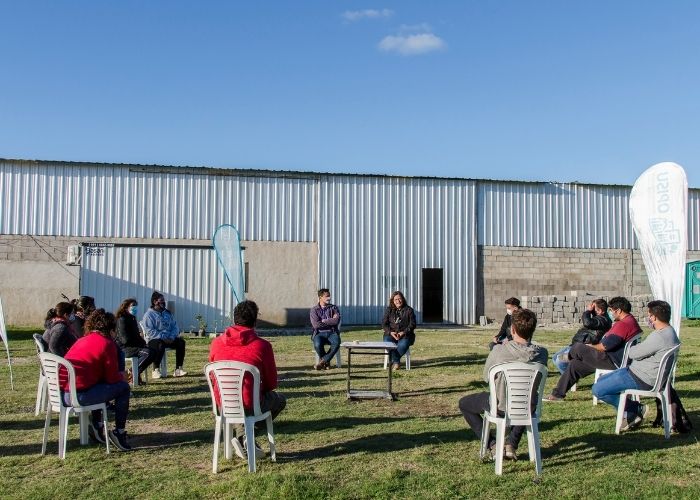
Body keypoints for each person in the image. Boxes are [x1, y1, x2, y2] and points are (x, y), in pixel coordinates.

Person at [458, 309, 548, 460]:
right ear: (533, 329)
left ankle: (492, 445)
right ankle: (511, 444)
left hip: (500, 406)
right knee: (524, 400)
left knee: (464, 404)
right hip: (528, 405)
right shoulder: (542, 353)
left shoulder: (499, 351)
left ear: (512, 329)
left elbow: (487, 377)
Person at [209, 300, 286, 460]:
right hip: (250, 404)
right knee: (279, 400)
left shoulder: (216, 343)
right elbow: (272, 383)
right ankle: (245, 437)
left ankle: (242, 436)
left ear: (234, 319)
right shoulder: (262, 346)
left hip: (222, 404)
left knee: (241, 404)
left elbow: (212, 376)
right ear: (255, 321)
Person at [592, 300, 680, 431]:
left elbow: (632, 353)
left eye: (649, 315)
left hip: (641, 378)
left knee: (598, 390)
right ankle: (629, 414)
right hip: (640, 373)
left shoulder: (659, 336)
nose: (649, 318)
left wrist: (637, 348)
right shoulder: (670, 332)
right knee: (601, 381)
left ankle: (635, 409)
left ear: (654, 317)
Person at [545, 296, 642, 402]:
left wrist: (590, 347)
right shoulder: (630, 321)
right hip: (614, 358)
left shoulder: (623, 325)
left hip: (612, 360)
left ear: (618, 310)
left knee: (578, 347)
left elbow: (604, 346)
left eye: (611, 310)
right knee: (574, 365)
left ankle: (568, 356)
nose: (610, 313)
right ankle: (558, 394)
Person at [60, 309, 132, 451]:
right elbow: (112, 379)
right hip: (79, 396)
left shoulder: (81, 340)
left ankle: (97, 424)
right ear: (111, 329)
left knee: (101, 384)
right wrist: (122, 376)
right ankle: (119, 432)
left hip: (61, 395)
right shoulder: (107, 344)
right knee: (123, 388)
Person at [552, 299, 612, 374]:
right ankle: (568, 376)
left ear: (600, 311)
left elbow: (587, 323)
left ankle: (569, 380)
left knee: (560, 361)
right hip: (576, 344)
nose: (591, 310)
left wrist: (587, 311)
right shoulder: (598, 318)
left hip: (582, 347)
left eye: (593, 308)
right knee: (555, 357)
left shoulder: (604, 320)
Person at [142, 291, 187, 378]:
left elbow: (175, 327)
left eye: (164, 300)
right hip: (155, 340)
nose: (163, 302)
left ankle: (178, 369)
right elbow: (150, 331)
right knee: (160, 344)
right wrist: (162, 337)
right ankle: (156, 370)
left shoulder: (168, 313)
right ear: (155, 302)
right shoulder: (149, 315)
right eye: (161, 300)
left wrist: (171, 337)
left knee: (181, 342)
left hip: (169, 338)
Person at [115, 298, 156, 384]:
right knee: (148, 353)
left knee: (153, 352)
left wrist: (143, 343)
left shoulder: (132, 318)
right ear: (126, 307)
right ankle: (132, 374)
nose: (135, 308)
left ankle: (133, 374)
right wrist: (139, 344)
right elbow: (125, 339)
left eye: (136, 306)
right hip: (124, 348)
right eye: (133, 306)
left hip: (133, 346)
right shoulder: (122, 319)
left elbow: (137, 335)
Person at [381, 291, 416, 370]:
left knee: (403, 345)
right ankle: (396, 362)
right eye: (396, 299)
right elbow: (384, 324)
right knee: (387, 343)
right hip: (391, 334)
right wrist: (390, 332)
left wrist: (403, 332)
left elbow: (413, 324)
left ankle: (394, 361)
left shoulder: (409, 310)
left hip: (406, 335)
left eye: (399, 299)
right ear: (393, 301)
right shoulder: (389, 310)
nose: (398, 301)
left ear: (403, 299)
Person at [310, 288, 342, 370]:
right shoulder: (314, 310)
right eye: (327, 296)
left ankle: (323, 362)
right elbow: (316, 325)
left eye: (329, 296)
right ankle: (326, 362)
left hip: (332, 332)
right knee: (317, 344)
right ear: (320, 297)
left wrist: (324, 321)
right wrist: (330, 321)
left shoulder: (334, 308)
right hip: (319, 333)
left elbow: (336, 321)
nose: (329, 298)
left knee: (337, 342)